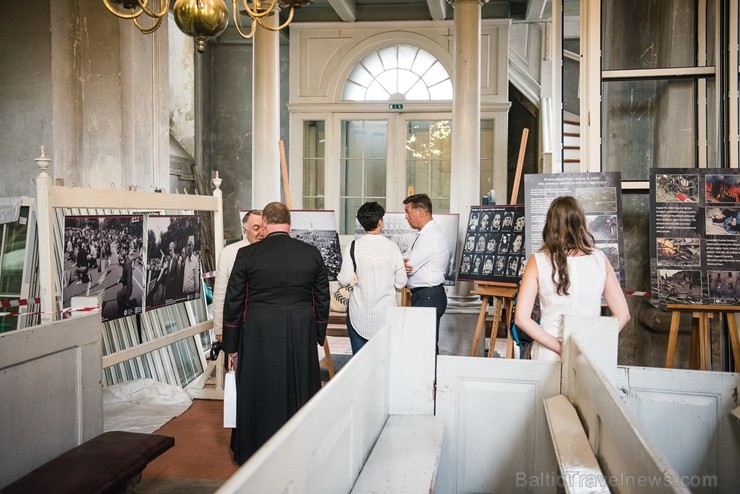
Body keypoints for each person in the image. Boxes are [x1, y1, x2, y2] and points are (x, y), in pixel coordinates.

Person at [222, 201, 330, 464]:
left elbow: (234, 302)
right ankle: (300, 447)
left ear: (266, 224)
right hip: (301, 325)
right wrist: (316, 332)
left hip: (259, 328)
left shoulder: (248, 255)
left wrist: (231, 346)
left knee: (259, 387)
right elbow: (321, 297)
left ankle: (254, 448)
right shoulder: (311, 253)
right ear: (290, 224)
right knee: (300, 385)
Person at [514, 196, 630, 361]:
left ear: (550, 225)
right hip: (588, 353)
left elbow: (521, 318)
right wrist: (596, 342)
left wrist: (560, 348)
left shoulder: (538, 261)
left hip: (548, 353)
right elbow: (623, 314)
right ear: (581, 223)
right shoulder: (600, 259)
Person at [337, 202, 407, 354]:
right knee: (385, 360)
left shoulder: (353, 246)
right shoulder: (392, 247)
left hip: (359, 314)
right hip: (386, 315)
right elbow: (401, 282)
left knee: (359, 362)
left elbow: (344, 279)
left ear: (362, 224)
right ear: (380, 222)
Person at [403, 193, 451, 351]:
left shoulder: (431, 236)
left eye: (408, 211)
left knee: (425, 345)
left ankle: (431, 376)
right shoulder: (423, 234)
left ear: (420, 212)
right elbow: (405, 260)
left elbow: (408, 265)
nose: (406, 216)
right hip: (424, 295)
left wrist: (404, 263)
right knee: (421, 343)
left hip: (428, 296)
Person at [212, 210, 264, 340]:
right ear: (245, 230)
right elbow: (220, 294)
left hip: (267, 325)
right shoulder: (229, 253)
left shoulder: (274, 253)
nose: (262, 233)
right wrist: (219, 329)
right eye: (256, 228)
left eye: (264, 228)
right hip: (239, 324)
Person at [181, 235, 200, 299]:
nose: (188, 247)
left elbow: (197, 282)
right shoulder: (186, 260)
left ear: (193, 247)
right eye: (187, 245)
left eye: (190, 245)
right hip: (185, 294)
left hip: (191, 295)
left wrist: (196, 296)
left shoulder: (195, 261)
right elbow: (185, 276)